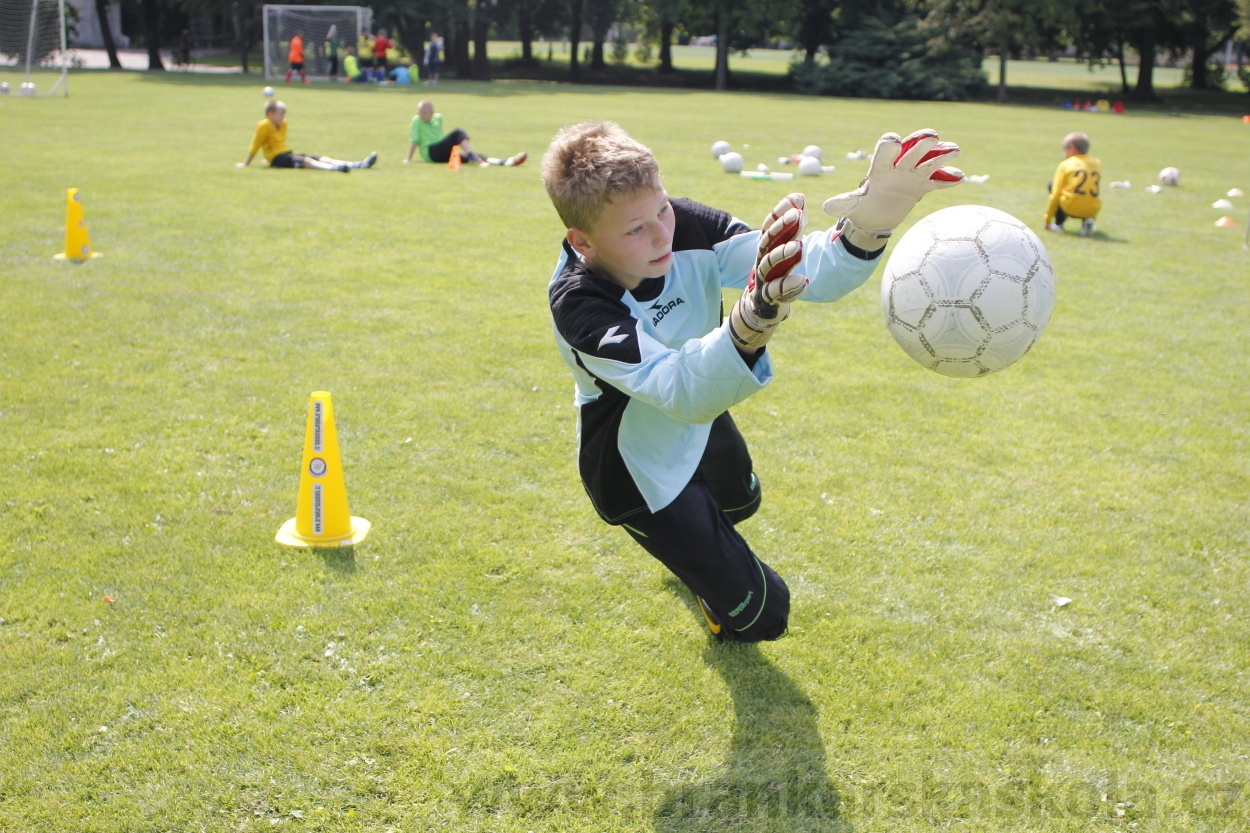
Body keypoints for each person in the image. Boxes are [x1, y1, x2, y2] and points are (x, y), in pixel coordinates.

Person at [541, 121, 962, 642]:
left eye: (662, 209)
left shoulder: (689, 225)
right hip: (637, 463)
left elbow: (802, 269)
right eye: (634, 230)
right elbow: (678, 390)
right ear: (582, 241)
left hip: (703, 410)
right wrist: (748, 324)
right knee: (765, 616)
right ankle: (702, 569)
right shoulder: (579, 303)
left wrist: (869, 224)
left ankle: (701, 554)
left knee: (741, 501)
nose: (662, 234)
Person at [238, 100, 378, 172]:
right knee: (306, 162)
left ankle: (357, 165)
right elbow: (255, 145)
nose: (283, 118)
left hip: (286, 154)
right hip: (278, 158)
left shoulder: (283, 124)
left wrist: (268, 159)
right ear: (270, 114)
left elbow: (277, 143)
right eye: (280, 115)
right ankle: (335, 169)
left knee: (321, 158)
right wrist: (246, 163)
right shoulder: (263, 125)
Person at [404, 99, 527, 167]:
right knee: (459, 132)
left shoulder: (438, 118)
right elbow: (414, 141)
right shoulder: (416, 121)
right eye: (420, 112)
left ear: (432, 113)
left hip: (442, 152)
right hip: (431, 152)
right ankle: (472, 155)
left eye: (424, 113)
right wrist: (408, 159)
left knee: (470, 157)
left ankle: (504, 162)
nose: (421, 115)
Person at [1044, 131, 1101, 237]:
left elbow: (1055, 195)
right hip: (1092, 210)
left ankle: (1058, 224)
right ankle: (1087, 221)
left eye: (1065, 150)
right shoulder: (1096, 163)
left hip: (1071, 208)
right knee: (1086, 194)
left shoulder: (1066, 164)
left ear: (1072, 148)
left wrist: (1047, 219)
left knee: (1053, 185)